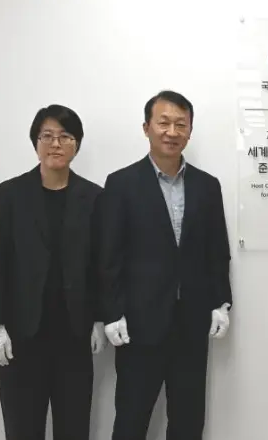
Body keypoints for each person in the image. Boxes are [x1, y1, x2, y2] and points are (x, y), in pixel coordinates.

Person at [97, 90, 233, 440]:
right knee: (131, 419)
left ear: (189, 131)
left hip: (191, 324)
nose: (172, 132)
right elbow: (109, 255)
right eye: (164, 123)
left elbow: (217, 251)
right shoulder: (121, 184)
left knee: (188, 421)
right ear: (147, 128)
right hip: (138, 325)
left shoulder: (207, 186)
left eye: (180, 124)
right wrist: (111, 313)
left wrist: (221, 301)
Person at [0, 104, 106, 440]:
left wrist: (99, 317)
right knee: (22, 429)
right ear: (35, 142)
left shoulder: (95, 197)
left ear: (77, 144)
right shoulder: (9, 194)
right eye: (47, 136)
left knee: (74, 428)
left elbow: (101, 263)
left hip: (74, 337)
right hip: (21, 337)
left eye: (65, 136)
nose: (56, 144)